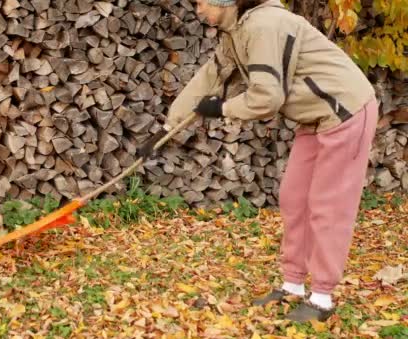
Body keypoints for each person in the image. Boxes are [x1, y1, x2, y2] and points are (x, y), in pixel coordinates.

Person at [139, 0, 378, 322]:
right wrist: (166, 130)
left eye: (200, 3)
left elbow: (267, 98)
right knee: (293, 199)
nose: (197, 10)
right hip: (313, 118)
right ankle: (292, 285)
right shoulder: (234, 32)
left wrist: (222, 109)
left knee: (328, 206)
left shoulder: (263, 26)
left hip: (345, 111)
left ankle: (322, 298)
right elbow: (209, 79)